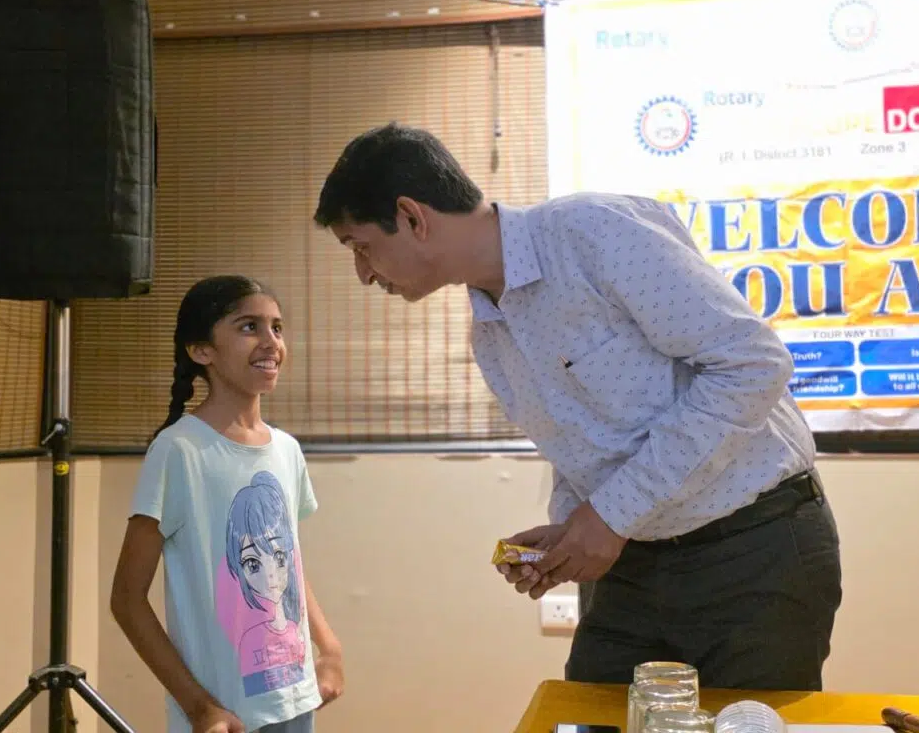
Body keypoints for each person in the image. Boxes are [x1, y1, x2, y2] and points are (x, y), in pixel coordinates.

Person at [312, 122, 842, 691]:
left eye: (362, 247)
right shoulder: (490, 333)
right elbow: (585, 447)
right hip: (633, 567)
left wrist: (608, 517)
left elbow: (753, 365)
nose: (364, 274)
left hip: (753, 550)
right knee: (586, 717)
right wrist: (569, 535)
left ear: (413, 217)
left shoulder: (593, 232)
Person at [110, 275, 344, 733]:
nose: (270, 341)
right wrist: (200, 707)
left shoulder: (287, 450)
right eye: (248, 326)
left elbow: (289, 563)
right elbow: (126, 599)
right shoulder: (177, 451)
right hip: (225, 718)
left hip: (296, 699)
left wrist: (330, 649)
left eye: (277, 327)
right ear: (202, 351)